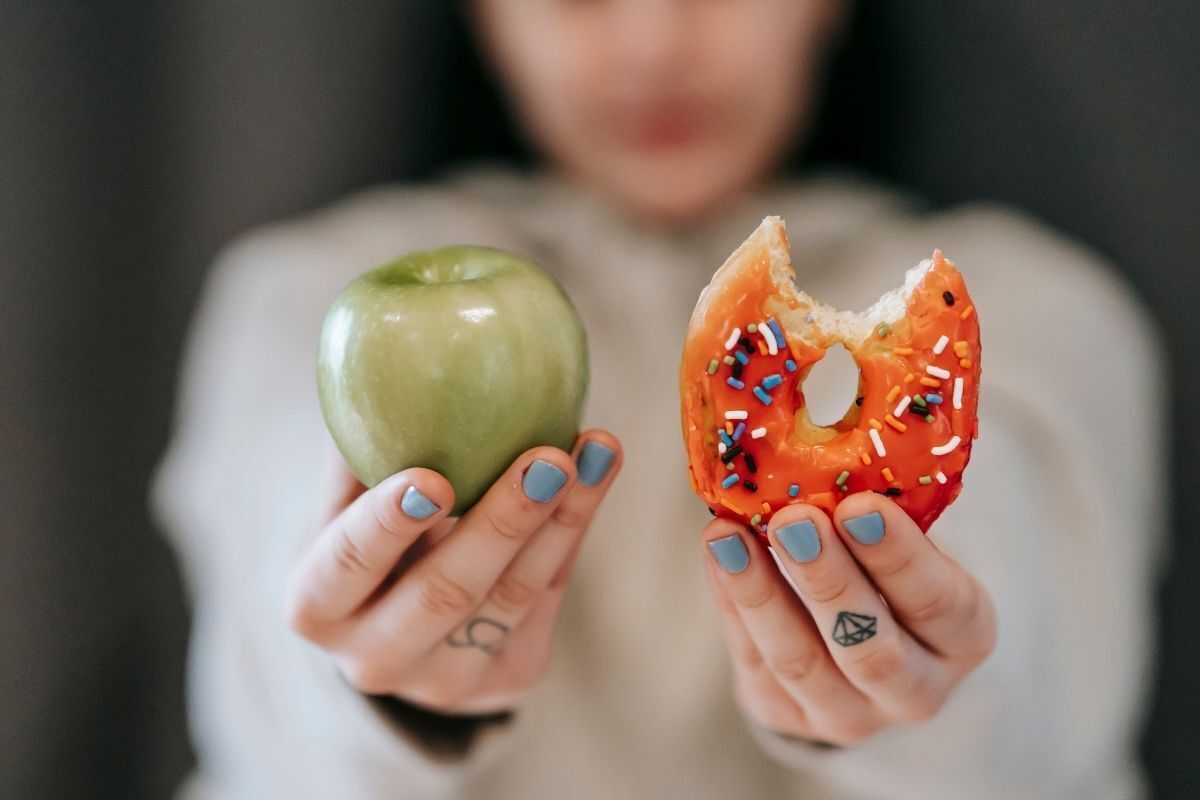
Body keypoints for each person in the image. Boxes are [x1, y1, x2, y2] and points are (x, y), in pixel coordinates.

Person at [152, 1, 1165, 798]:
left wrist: (927, 689)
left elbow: (1039, 663)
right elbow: (264, 675)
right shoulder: (298, 292)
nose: (653, 40)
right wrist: (376, 685)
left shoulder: (1037, 304)